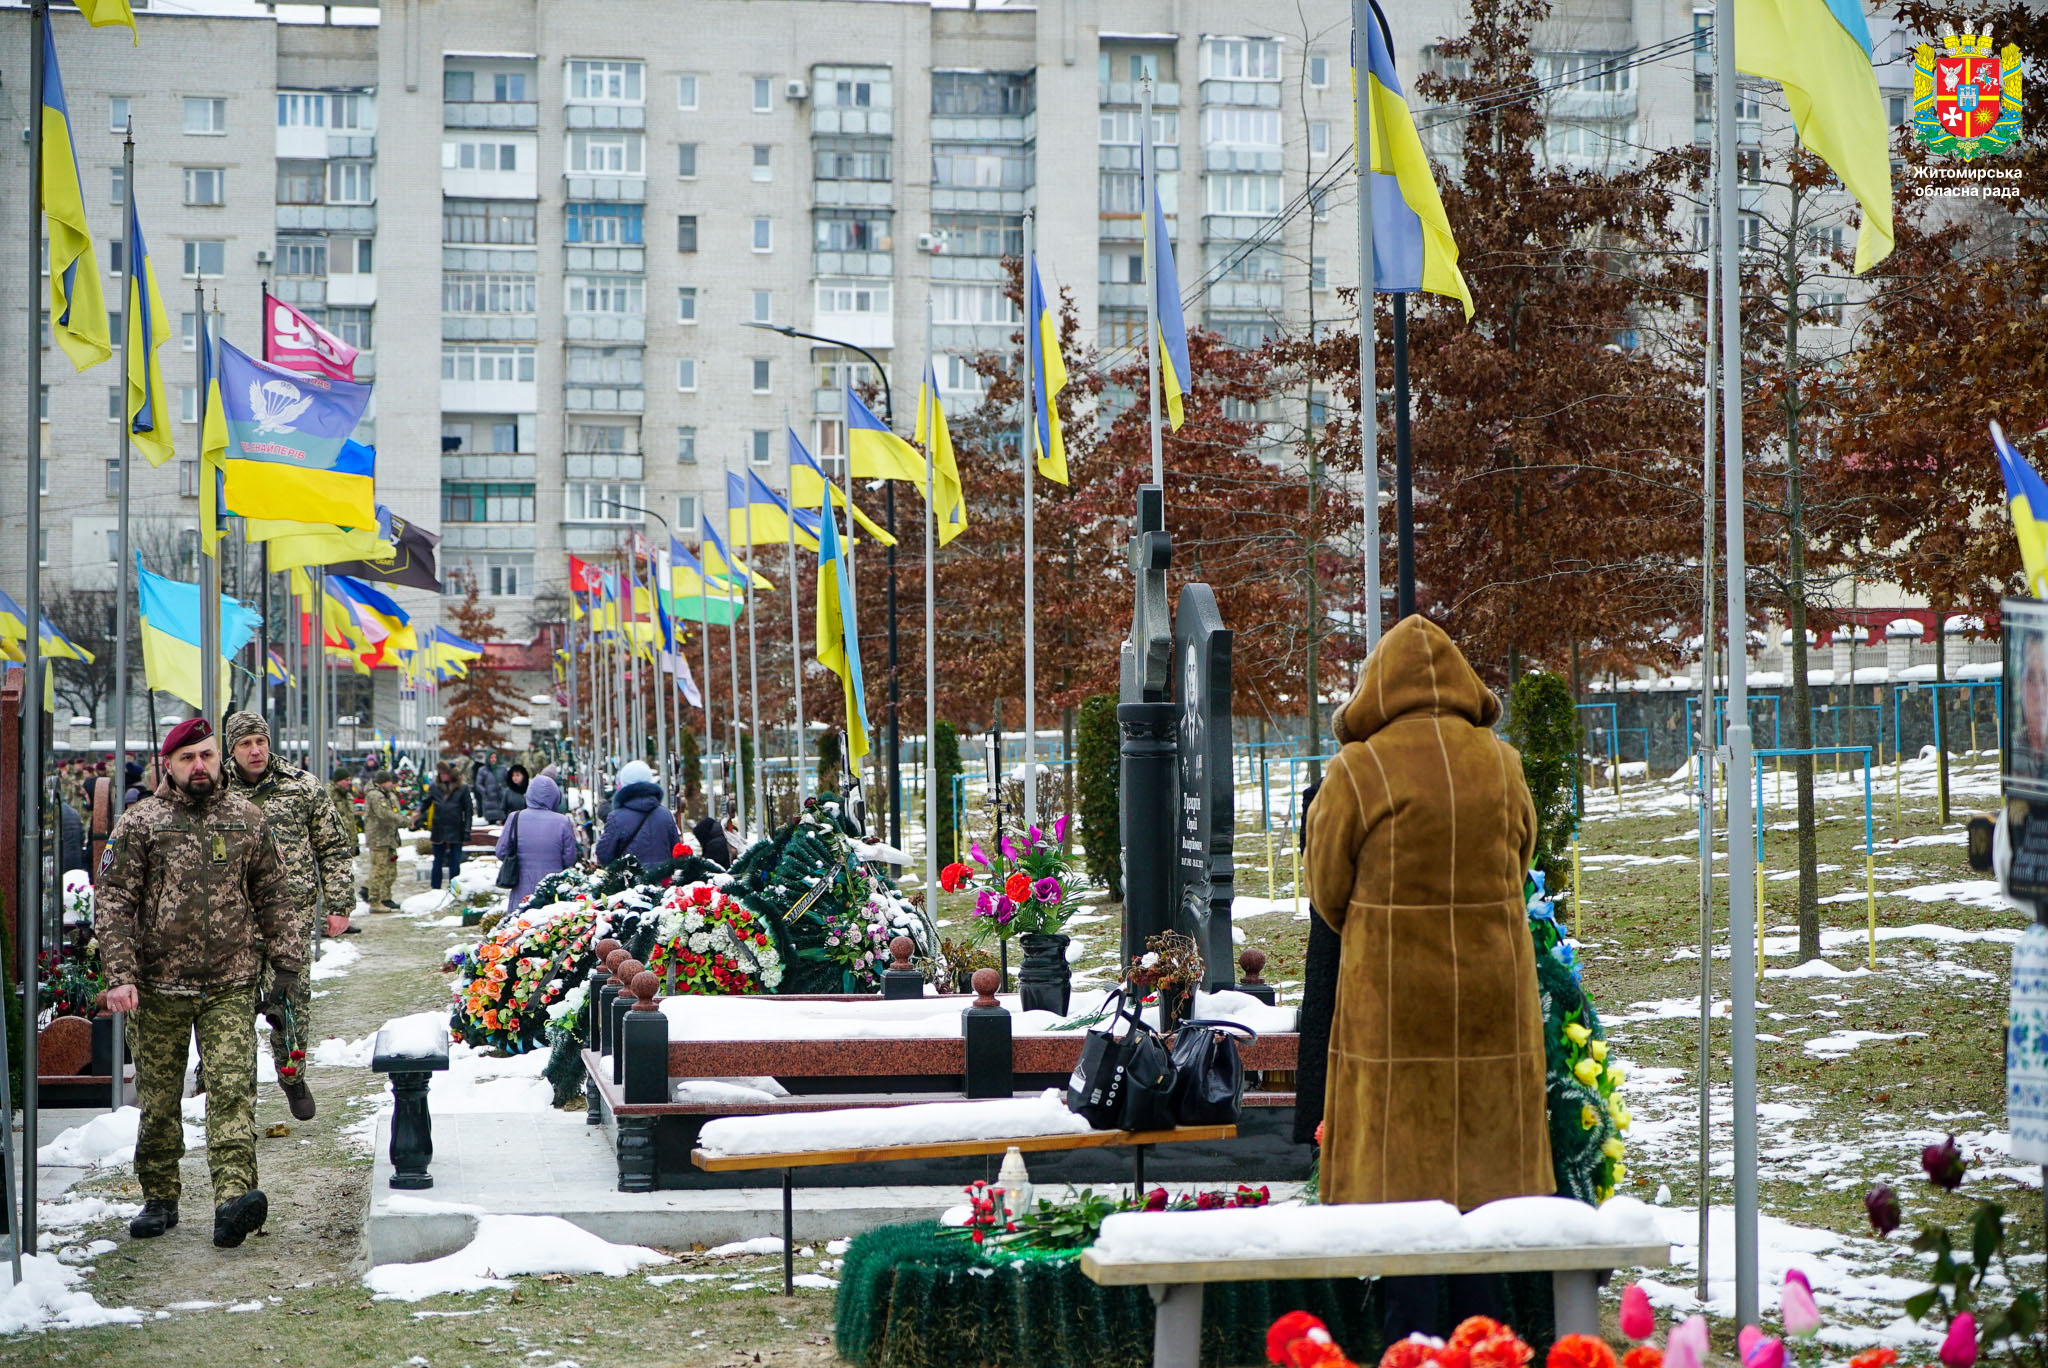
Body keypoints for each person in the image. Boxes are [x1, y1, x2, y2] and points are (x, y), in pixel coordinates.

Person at [1304, 615, 1552, 1341]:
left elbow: (1327, 888)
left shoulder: (1359, 769)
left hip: (1393, 1007)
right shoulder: (1502, 763)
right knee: (1482, 1190)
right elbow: (1523, 853)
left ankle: (1408, 1347)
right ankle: (1491, 1345)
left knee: (1403, 1190)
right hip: (1491, 1006)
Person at [97, 716, 297, 1249]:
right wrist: (120, 975)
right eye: (188, 758)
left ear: (218, 757)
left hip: (230, 983)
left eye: (207, 755)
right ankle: (160, 1196)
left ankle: (234, 1200)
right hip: (159, 987)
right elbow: (114, 901)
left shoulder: (248, 819)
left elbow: (275, 894)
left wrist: (286, 967)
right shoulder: (143, 821)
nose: (200, 766)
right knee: (160, 1100)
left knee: (233, 1091)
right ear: (170, 765)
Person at [221, 711, 354, 1122]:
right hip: (231, 925)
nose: (255, 750)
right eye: (245, 744)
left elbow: (333, 846)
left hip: (288, 924)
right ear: (232, 749)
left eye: (260, 740)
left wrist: (338, 905)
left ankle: (292, 1076)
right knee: (230, 1014)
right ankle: (232, 1096)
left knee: (291, 1008)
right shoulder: (214, 788)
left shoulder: (301, 786)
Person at [494, 774, 579, 913]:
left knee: (519, 926)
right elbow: (569, 858)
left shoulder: (515, 817)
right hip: (552, 889)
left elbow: (501, 851)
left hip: (521, 887)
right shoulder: (563, 821)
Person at [595, 759, 681, 867]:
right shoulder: (665, 815)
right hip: (663, 880)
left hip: (629, 880)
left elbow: (603, 855)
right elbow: (677, 852)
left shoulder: (616, 817)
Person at [419, 763, 475, 890]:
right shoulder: (435, 787)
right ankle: (435, 888)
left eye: (445, 773)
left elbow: (468, 810)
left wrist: (467, 829)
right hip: (439, 828)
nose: (443, 776)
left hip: (456, 828)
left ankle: (453, 888)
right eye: (441, 773)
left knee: (455, 862)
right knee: (437, 860)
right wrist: (418, 813)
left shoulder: (462, 788)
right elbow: (425, 802)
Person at [363, 770, 403, 910]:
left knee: (390, 870)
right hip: (379, 838)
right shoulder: (375, 795)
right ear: (384, 782)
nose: (392, 784)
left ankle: (385, 897)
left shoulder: (387, 794)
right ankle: (374, 900)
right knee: (379, 870)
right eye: (390, 781)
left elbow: (395, 811)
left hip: (389, 838)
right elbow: (384, 814)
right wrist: (404, 821)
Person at [473, 750, 508, 824]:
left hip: (501, 798)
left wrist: (505, 791)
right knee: (491, 823)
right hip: (489, 801)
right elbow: (478, 784)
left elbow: (508, 782)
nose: (493, 759)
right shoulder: (483, 770)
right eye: (491, 757)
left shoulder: (502, 769)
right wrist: (485, 792)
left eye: (495, 757)